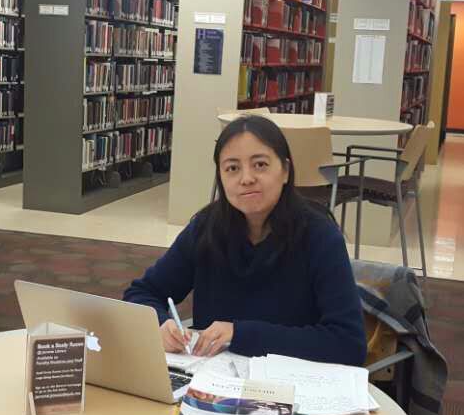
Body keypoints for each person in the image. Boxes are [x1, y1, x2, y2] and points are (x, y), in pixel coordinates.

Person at [123, 114, 367, 366]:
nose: (246, 178)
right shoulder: (206, 229)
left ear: (285, 170)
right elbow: (141, 293)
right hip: (212, 379)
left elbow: (349, 344)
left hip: (291, 381)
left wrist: (240, 333)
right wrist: (160, 324)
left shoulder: (319, 236)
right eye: (232, 168)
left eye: (260, 165)